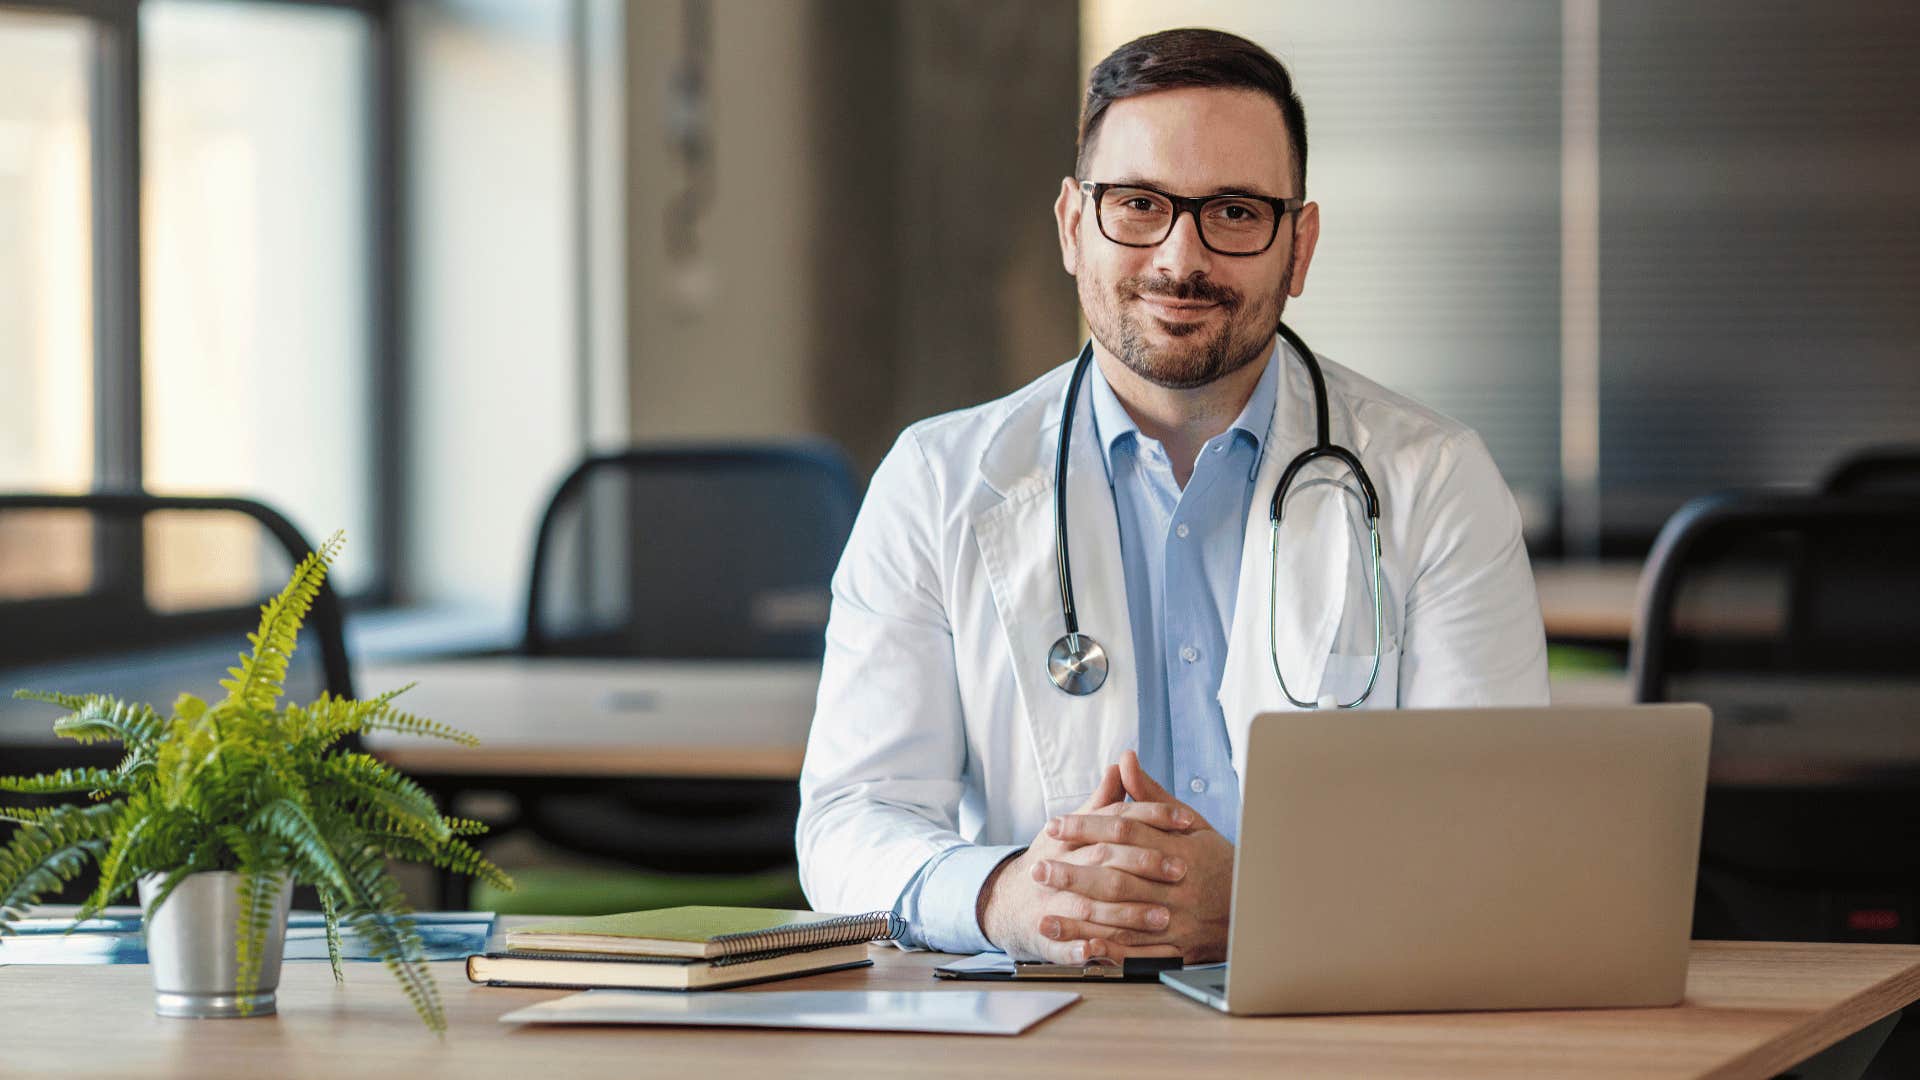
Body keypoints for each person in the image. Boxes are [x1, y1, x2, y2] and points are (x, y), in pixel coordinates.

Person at [796, 27, 1549, 965]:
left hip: (1333, 1016)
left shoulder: (1434, 479)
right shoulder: (937, 479)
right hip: (1039, 1021)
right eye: (1139, 204)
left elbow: (1491, 832)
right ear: (1074, 227)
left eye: (1235, 211)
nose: (1180, 258)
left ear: (1300, 248)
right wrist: (1009, 897)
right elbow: (849, 821)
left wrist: (1277, 900)